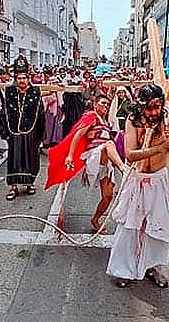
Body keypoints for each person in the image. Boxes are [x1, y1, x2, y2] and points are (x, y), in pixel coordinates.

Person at [106, 84, 169, 288]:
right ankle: (124, 270)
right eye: (150, 107)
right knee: (130, 227)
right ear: (141, 107)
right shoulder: (133, 121)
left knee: (157, 228)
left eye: (158, 106)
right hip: (136, 179)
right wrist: (162, 147)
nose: (155, 112)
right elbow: (130, 154)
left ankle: (152, 267)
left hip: (158, 181)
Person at [47, 94, 128, 233]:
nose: (106, 106)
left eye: (107, 104)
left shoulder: (106, 122)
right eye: (103, 103)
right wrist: (70, 156)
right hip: (93, 156)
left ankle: (95, 219)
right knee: (108, 143)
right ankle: (124, 169)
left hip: (105, 161)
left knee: (108, 196)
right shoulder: (91, 116)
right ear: (95, 103)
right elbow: (78, 135)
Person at [0, 57, 45, 201]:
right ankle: (14, 187)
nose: (22, 81)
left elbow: (41, 113)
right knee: (14, 159)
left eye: (24, 78)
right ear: (16, 78)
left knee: (31, 157)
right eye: (19, 78)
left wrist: (41, 134)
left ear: (28, 78)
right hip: (14, 132)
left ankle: (30, 183)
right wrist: (4, 131)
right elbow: (4, 111)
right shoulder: (10, 92)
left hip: (31, 132)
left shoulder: (35, 92)